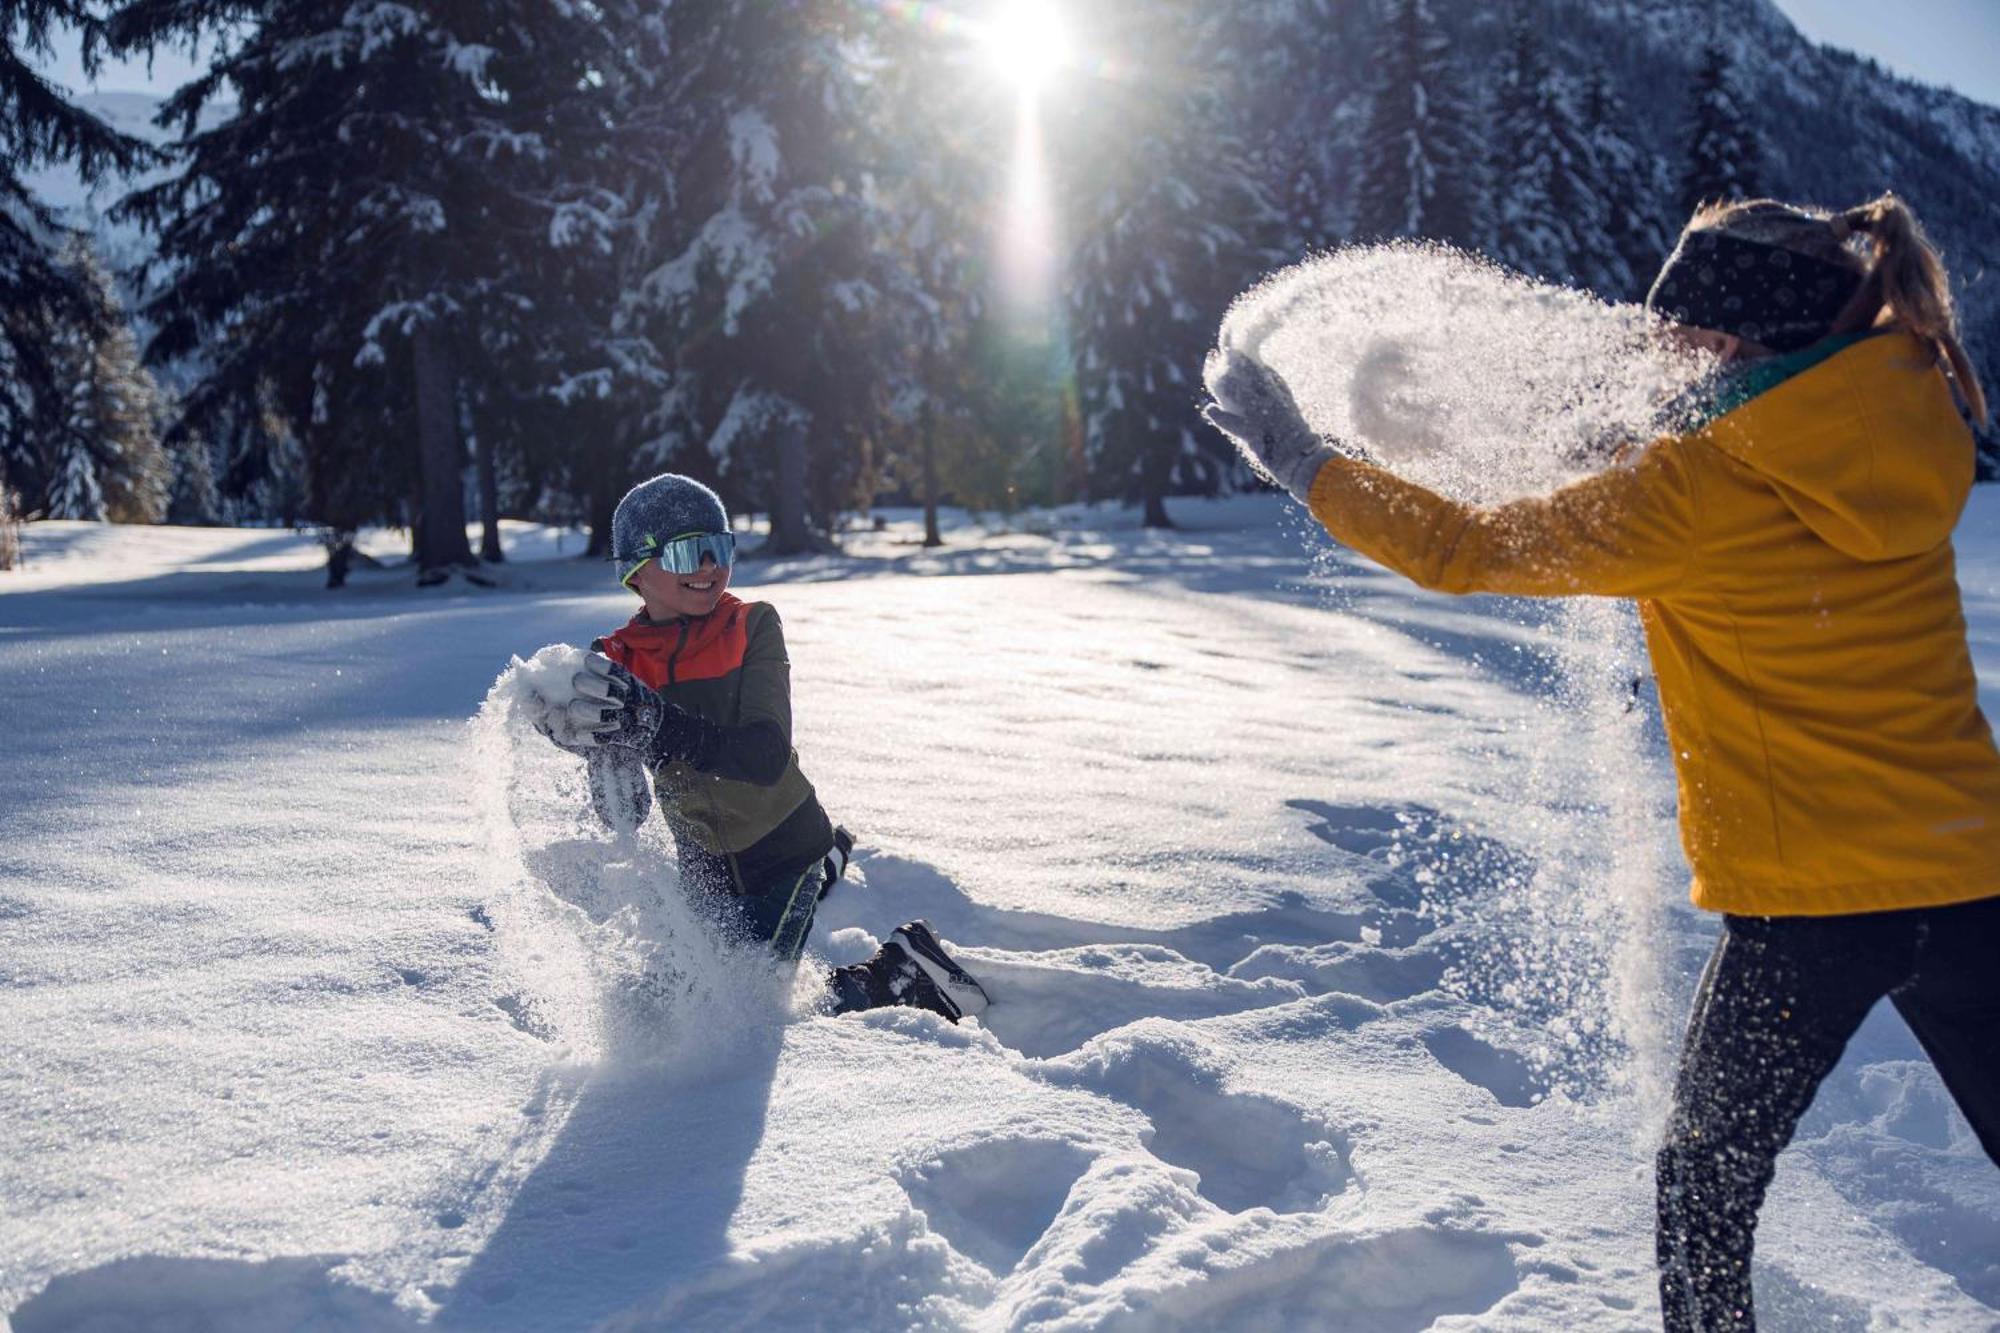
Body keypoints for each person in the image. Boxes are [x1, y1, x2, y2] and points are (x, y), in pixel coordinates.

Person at [1205, 193, 1999, 1331]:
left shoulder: (1699, 493)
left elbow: (1466, 549)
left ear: (1731, 340)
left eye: (1678, 334)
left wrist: (1302, 461)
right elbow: (1720, 460)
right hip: (1971, 871)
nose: (1660, 355)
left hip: (1817, 903)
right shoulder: (1901, 416)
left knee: (1703, 1186)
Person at [531, 472, 990, 1023]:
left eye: (719, 548)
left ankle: (906, 971)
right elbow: (624, 813)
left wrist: (655, 723)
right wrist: (599, 752)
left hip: (784, 849)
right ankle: (835, 864)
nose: (708, 567)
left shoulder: (752, 625)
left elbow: (765, 753)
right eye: (687, 553)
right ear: (636, 570)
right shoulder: (614, 658)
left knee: (748, 1007)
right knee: (691, 991)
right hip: (701, 862)